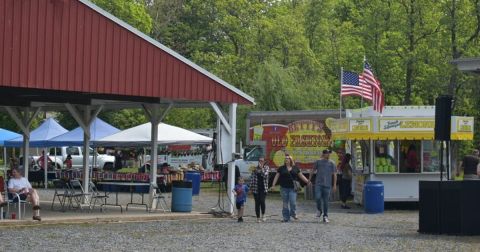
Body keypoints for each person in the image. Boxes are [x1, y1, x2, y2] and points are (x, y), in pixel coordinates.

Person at [270, 154, 311, 222]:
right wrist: (273, 185)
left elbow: (301, 176)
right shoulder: (281, 168)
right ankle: (286, 217)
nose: (286, 159)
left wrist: (308, 182)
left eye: (288, 158)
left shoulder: (295, 168)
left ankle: (293, 213)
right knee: (285, 203)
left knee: (293, 202)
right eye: (285, 158)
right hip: (284, 188)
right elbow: (276, 177)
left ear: (291, 160)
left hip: (293, 188)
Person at [310, 149, 337, 223]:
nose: (328, 155)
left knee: (325, 201)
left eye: (329, 153)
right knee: (317, 197)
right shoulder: (318, 162)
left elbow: (334, 174)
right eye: (327, 153)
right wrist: (309, 180)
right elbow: (312, 170)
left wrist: (334, 185)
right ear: (324, 154)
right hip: (318, 184)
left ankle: (325, 216)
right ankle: (319, 210)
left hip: (327, 185)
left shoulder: (332, 163)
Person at [249, 156, 269, 223]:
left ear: (264, 161)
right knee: (257, 203)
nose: (261, 162)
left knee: (262, 201)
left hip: (263, 188)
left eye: (262, 160)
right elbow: (252, 178)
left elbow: (265, 175)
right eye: (260, 160)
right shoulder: (254, 168)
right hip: (256, 188)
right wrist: (250, 188)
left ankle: (263, 215)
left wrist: (261, 168)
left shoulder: (266, 168)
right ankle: (258, 218)